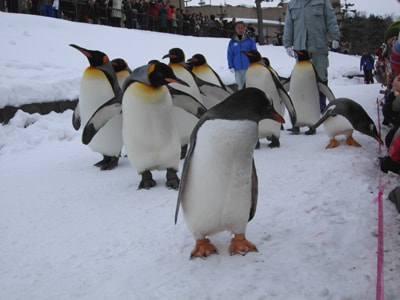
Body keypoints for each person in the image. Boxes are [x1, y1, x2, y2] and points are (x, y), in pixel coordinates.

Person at [283, 0, 340, 112]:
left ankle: (321, 107)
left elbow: (330, 19)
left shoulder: (322, 1)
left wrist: (335, 37)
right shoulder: (293, 4)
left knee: (321, 77)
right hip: (301, 49)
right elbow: (289, 25)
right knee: (304, 79)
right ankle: (306, 108)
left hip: (318, 47)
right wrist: (287, 44)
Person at [227, 21, 258, 91]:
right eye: (238, 28)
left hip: (248, 68)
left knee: (249, 86)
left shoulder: (250, 40)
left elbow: (255, 53)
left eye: (242, 28)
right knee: (240, 87)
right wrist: (231, 66)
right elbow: (230, 55)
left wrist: (254, 64)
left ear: (244, 29)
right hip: (237, 69)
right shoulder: (232, 42)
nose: (240, 30)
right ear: (236, 29)